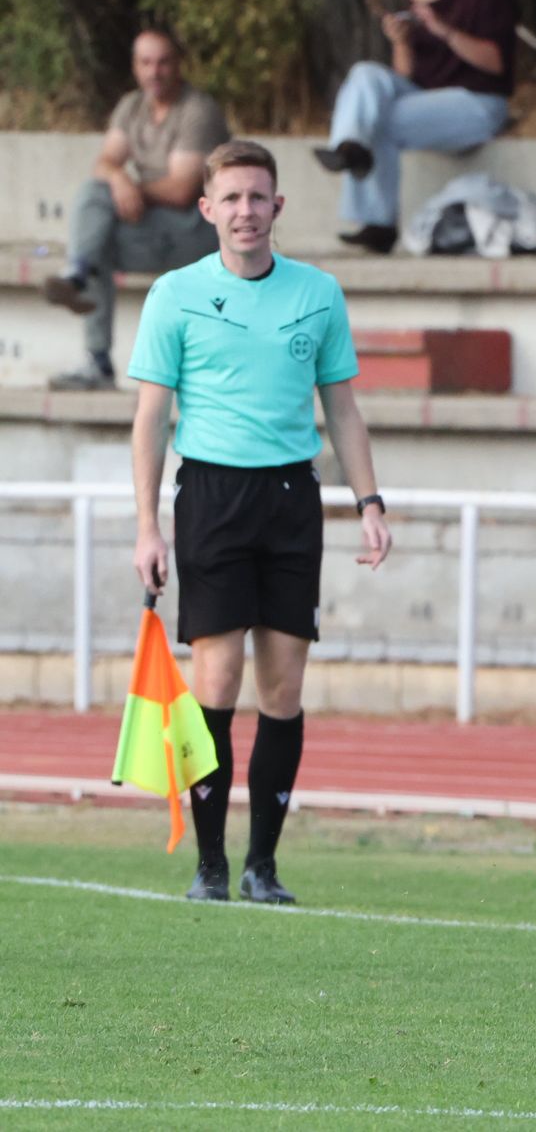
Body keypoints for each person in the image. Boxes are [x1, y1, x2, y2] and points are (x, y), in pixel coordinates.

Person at [129, 139, 393, 905]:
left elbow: (342, 407)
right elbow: (150, 421)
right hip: (210, 497)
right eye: (231, 198)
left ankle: (262, 865)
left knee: (283, 687)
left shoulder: (318, 293)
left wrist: (367, 502)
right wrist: (147, 526)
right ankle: (210, 865)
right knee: (218, 676)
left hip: (290, 500)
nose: (246, 211)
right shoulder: (174, 295)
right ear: (207, 209)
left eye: (258, 197)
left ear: (278, 206)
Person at [318, 0, 516, 254]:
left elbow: (495, 63)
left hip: (477, 101)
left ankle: (378, 223)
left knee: (379, 121)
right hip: (426, 99)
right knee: (366, 74)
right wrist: (401, 42)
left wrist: (445, 31)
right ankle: (349, 148)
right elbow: (404, 76)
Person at [42, 30, 228, 390]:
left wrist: (130, 186)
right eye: (145, 63)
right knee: (95, 224)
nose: (154, 72)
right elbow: (105, 163)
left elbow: (181, 190)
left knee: (95, 227)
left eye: (163, 62)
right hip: (153, 227)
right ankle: (96, 358)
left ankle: (77, 275)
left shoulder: (198, 110)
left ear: (178, 65)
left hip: (197, 230)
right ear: (134, 67)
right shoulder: (132, 107)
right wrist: (118, 179)